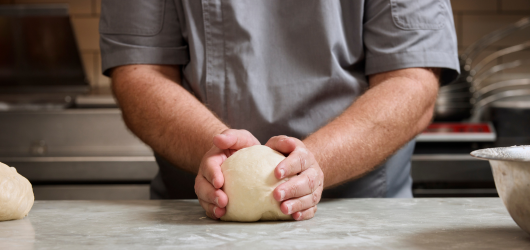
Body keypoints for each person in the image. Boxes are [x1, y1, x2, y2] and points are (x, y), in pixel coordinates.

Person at [99, 0, 459, 221]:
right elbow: (140, 73)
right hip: (194, 219)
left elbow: (411, 80)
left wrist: (313, 164)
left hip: (360, 217)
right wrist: (219, 153)